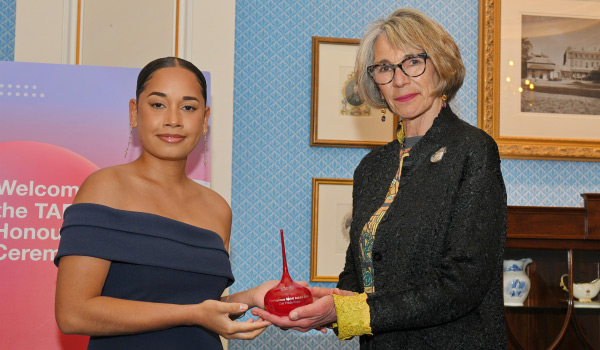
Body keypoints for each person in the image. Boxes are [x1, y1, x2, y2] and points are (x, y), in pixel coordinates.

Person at [253, 8, 508, 349]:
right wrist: (323, 306)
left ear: (441, 65)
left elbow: (464, 282)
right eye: (385, 68)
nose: (399, 79)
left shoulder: (473, 150)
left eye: (413, 61)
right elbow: (356, 277)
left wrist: (351, 313)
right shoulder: (372, 167)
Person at [54, 57, 274, 350]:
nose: (173, 119)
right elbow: (73, 314)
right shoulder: (105, 188)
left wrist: (249, 298)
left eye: (189, 107)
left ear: (205, 118)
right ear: (134, 113)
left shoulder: (217, 208)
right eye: (158, 104)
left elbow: (200, 307)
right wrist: (194, 313)